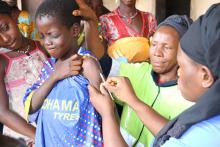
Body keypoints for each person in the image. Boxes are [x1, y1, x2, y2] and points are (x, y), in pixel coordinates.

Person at [89, 3, 220, 147]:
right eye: (154, 44)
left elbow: (174, 136)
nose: (157, 53)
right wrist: (90, 22)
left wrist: (113, 111)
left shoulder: (190, 97)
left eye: (167, 47)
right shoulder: (139, 71)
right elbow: (100, 61)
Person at [23, 0, 103, 146]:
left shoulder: (87, 65)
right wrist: (55, 76)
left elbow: (104, 113)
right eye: (42, 36)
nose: (47, 42)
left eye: (52, 35)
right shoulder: (49, 66)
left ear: (74, 30)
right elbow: (31, 107)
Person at [0, 0, 50, 142]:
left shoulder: (43, 47)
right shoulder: (1, 61)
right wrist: (39, 136)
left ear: (15, 17)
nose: (5, 38)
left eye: (5, 27)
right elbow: (2, 112)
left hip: (54, 125)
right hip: (23, 136)